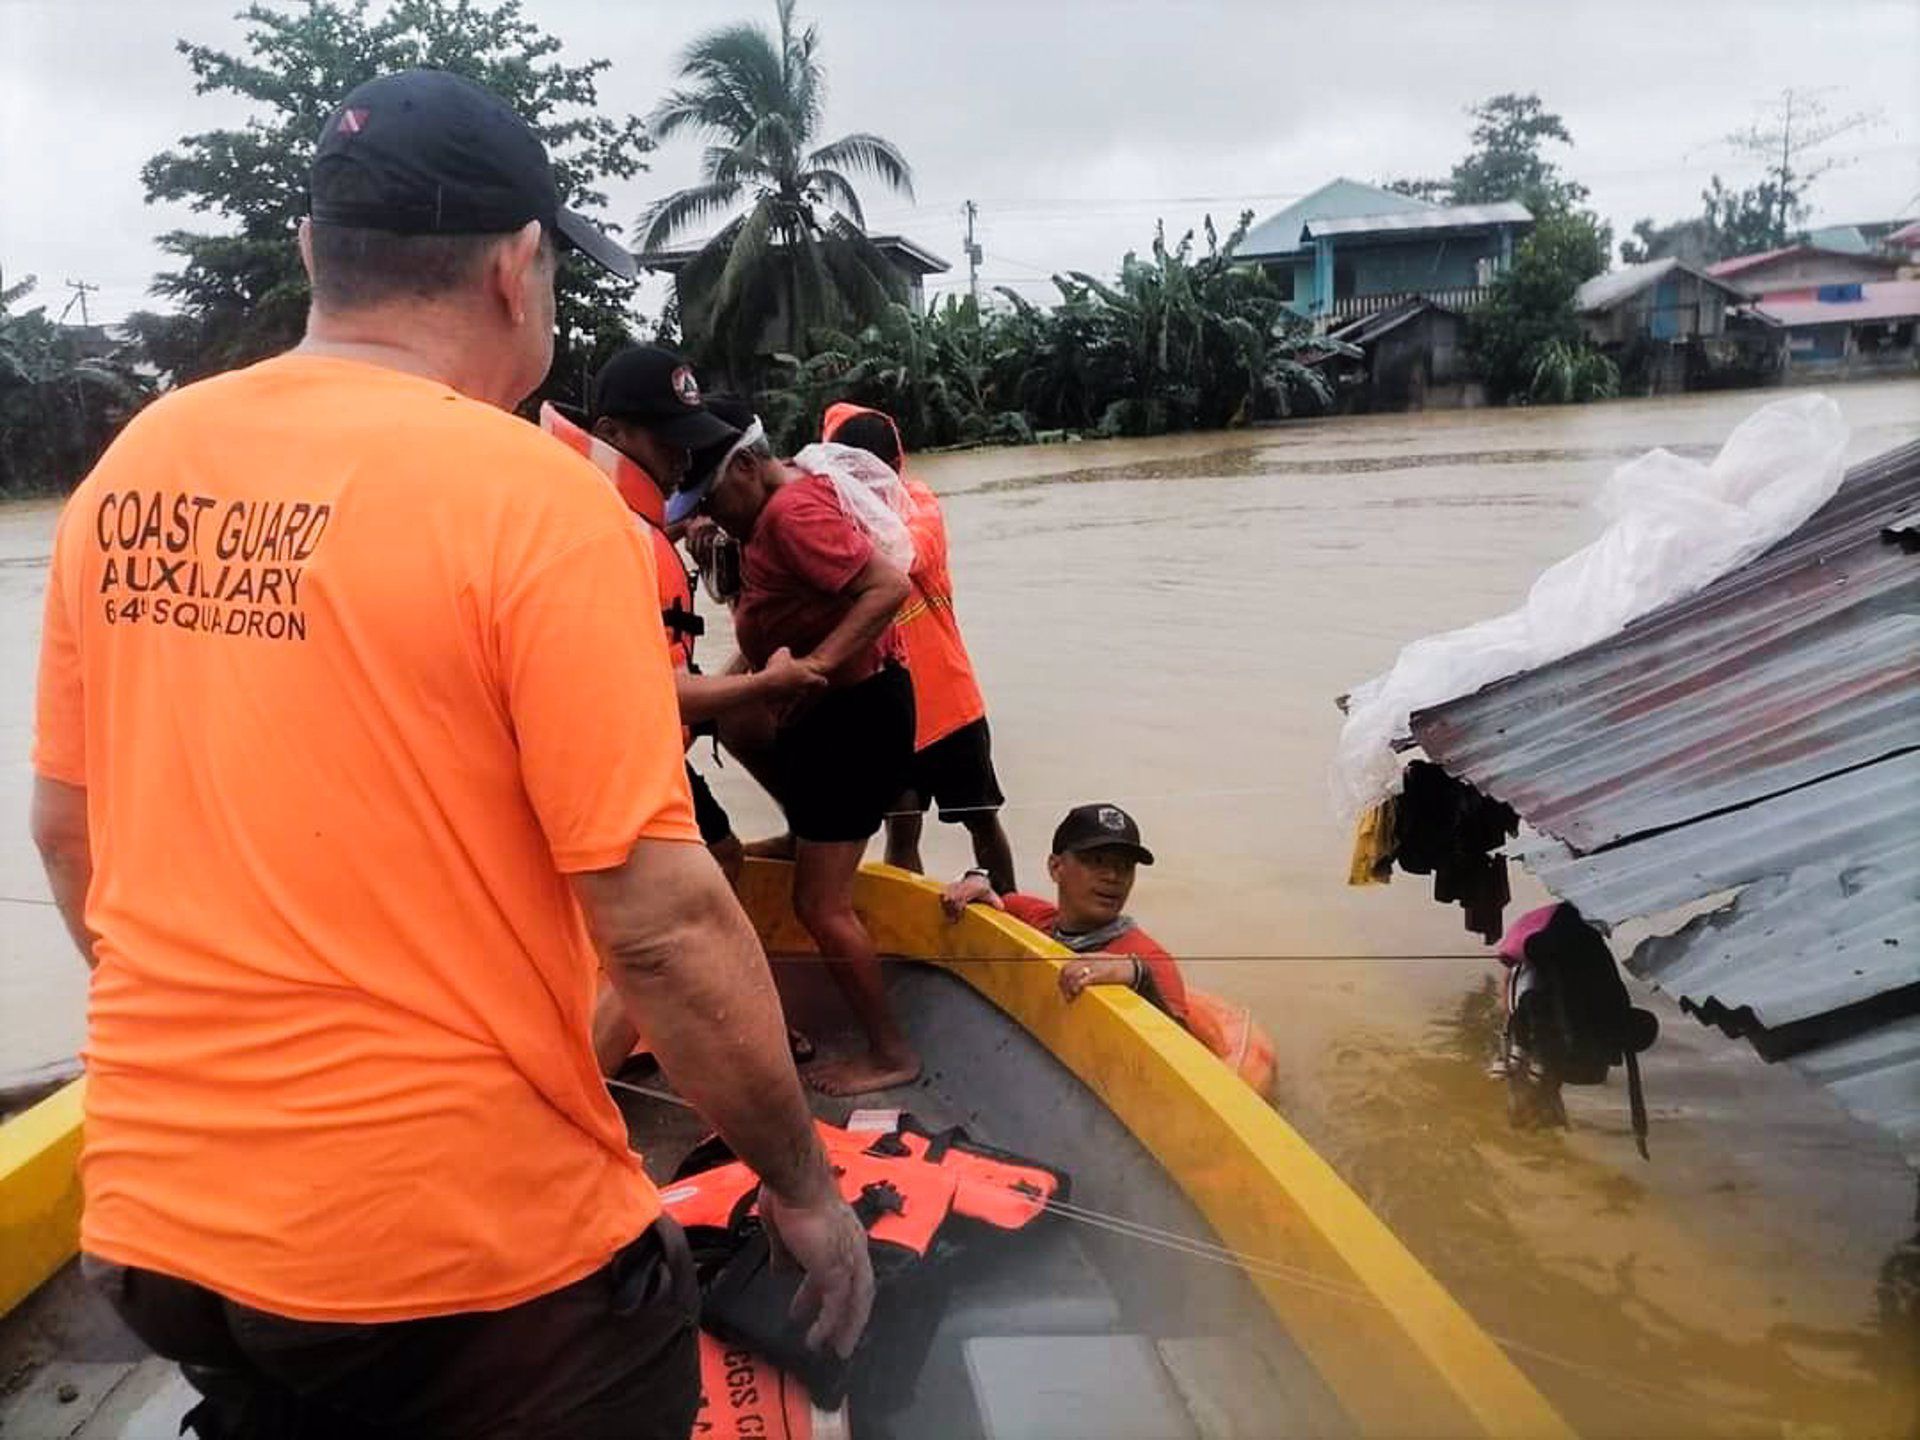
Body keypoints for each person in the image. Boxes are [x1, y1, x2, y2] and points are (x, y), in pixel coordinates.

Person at [30, 70, 869, 1440]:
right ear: (517, 266)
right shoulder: (537, 507)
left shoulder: (130, 473)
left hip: (159, 1231)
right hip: (464, 1269)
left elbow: (71, 840)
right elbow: (657, 926)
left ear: (312, 250)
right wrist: (803, 1189)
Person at [667, 400, 921, 1097]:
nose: (711, 514)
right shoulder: (767, 512)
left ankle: (891, 1053)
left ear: (747, 466)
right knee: (740, 722)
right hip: (830, 707)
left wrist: (817, 664)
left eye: (714, 495)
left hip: (856, 714)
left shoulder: (790, 513)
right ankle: (807, 829)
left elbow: (888, 587)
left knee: (820, 906)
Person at [941, 804, 1277, 1100]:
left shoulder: (1148, 959)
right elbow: (997, 896)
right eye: (1096, 861)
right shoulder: (1034, 917)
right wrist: (977, 875)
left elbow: (1186, 1065)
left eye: (1124, 866)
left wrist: (1139, 979)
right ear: (1056, 868)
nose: (1112, 876)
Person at [820, 403, 1016, 894]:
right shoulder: (826, 519)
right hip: (888, 709)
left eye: (875, 466)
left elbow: (906, 553)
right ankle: (908, 937)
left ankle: (1014, 912)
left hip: (950, 705)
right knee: (901, 826)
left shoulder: (918, 503)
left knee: (982, 821)